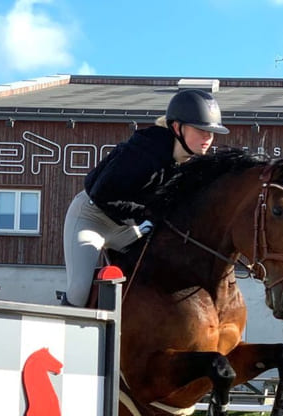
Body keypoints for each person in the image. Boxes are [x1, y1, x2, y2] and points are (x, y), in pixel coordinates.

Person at [61, 89, 229, 307]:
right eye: (201, 130)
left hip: (131, 227)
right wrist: (147, 214)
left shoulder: (190, 164)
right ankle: (66, 336)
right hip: (92, 218)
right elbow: (101, 193)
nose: (208, 137)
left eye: (211, 132)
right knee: (79, 290)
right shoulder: (142, 152)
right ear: (177, 128)